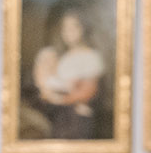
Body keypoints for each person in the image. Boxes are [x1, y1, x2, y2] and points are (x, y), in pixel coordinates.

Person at [29, 10, 105, 140]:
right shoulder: (62, 57)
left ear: (82, 28)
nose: (68, 32)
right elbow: (48, 82)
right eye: (65, 28)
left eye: (73, 27)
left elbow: (87, 91)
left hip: (77, 119)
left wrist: (62, 99)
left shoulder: (91, 57)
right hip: (58, 116)